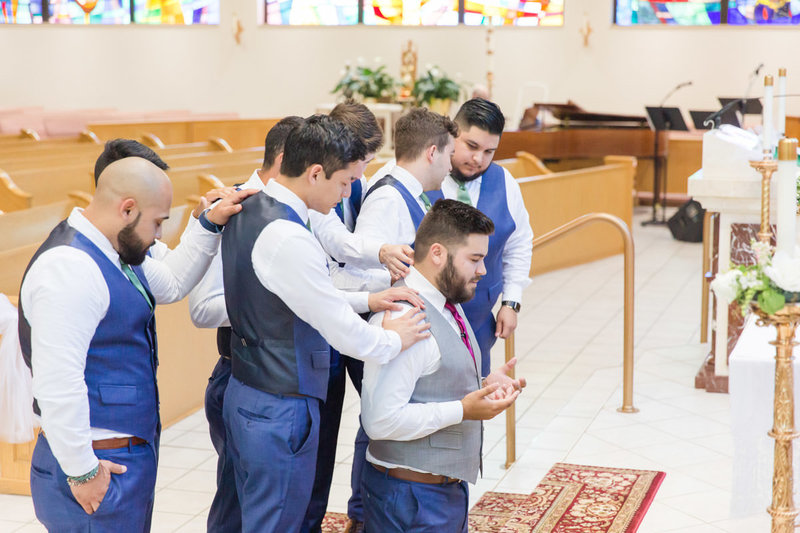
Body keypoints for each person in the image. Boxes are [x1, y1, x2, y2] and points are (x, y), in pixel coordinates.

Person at [220, 115, 430, 533]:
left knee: (253, 515)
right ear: (315, 173)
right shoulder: (289, 235)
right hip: (280, 402)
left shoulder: (250, 207)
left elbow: (301, 297)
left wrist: (368, 298)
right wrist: (391, 339)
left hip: (248, 388)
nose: (348, 193)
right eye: (343, 182)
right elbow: (337, 326)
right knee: (278, 521)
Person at [18, 157, 253, 532]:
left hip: (118, 456)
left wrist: (207, 225)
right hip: (98, 462)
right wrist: (83, 472)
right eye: (158, 222)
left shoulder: (114, 250)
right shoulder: (69, 268)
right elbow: (57, 383)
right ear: (127, 209)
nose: (160, 235)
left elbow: (172, 284)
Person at [361, 199, 525, 533]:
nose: (483, 271)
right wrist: (463, 410)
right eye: (475, 260)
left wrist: (482, 380)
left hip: (440, 492)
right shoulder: (406, 318)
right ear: (437, 253)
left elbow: (432, 373)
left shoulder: (443, 298)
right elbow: (380, 421)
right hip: (411, 498)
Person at [442, 98, 533, 377]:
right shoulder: (424, 176)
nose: (478, 159)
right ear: (452, 133)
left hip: (480, 321)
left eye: (489, 151)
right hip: (425, 323)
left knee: (474, 405)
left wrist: (511, 302)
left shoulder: (505, 182)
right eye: (471, 146)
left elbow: (518, 244)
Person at [355, 107, 458, 257]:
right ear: (432, 153)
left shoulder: (415, 192)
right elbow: (364, 269)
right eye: (450, 155)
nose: (450, 167)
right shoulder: (386, 199)